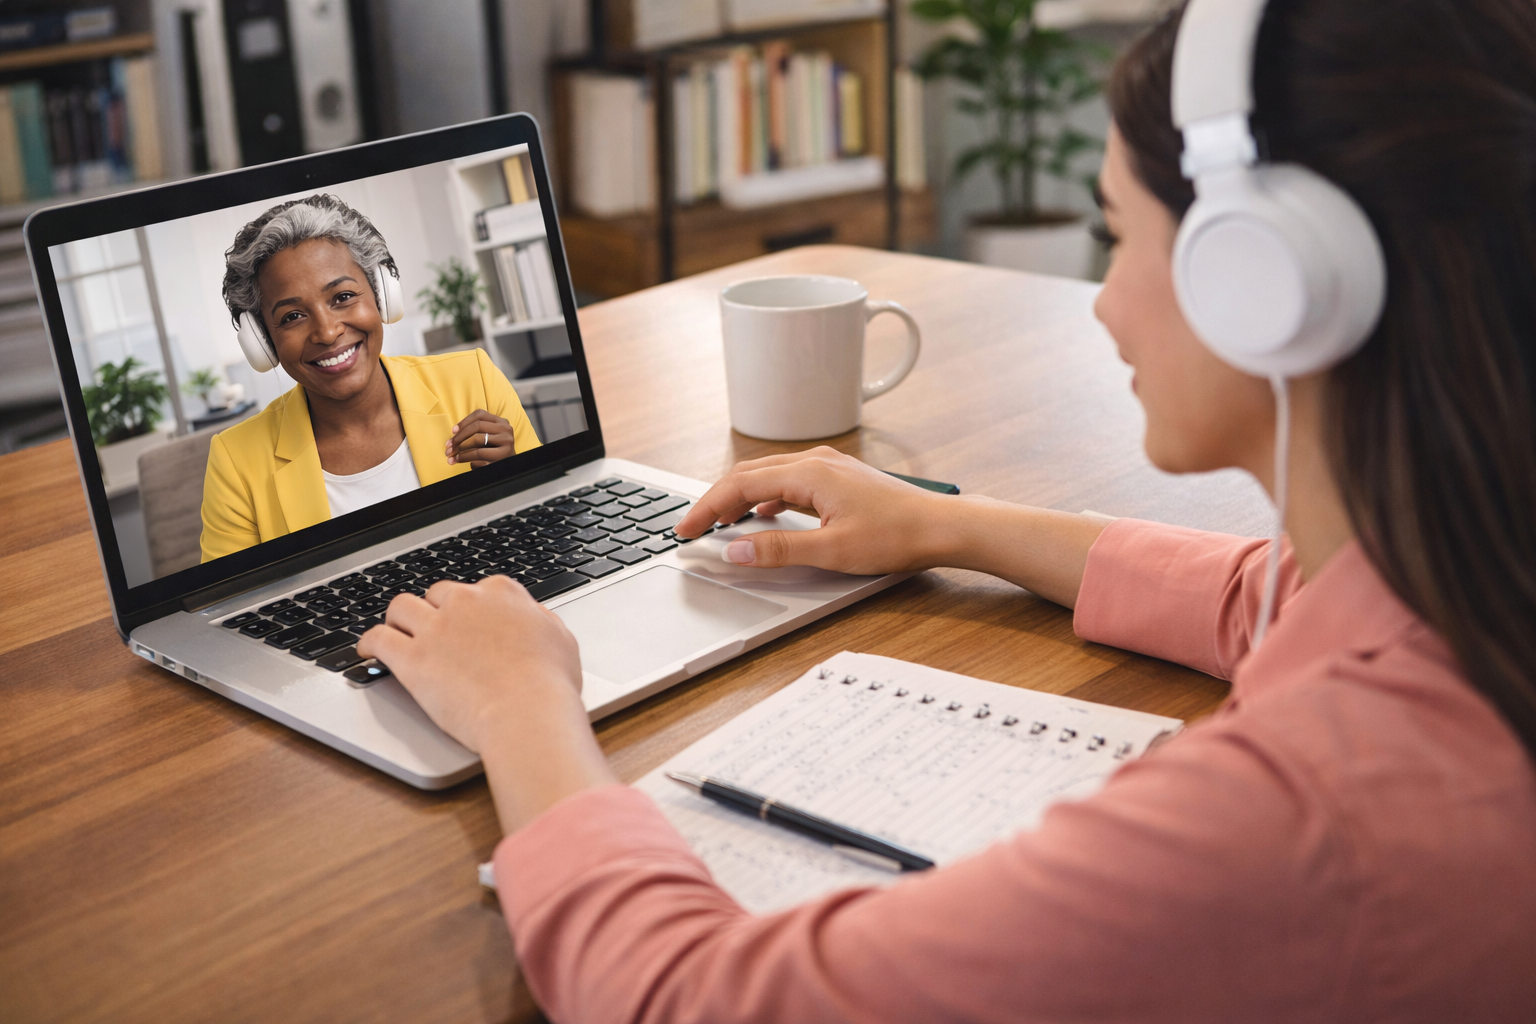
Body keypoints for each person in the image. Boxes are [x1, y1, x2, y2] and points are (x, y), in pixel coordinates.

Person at [357, 0, 1536, 1019]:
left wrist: (520, 702)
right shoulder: (1465, 572)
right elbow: (1272, 597)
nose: (1102, 301)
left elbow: (688, 996)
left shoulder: (1298, 822)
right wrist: (952, 524)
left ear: (1264, 280)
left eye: (1117, 233)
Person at [199, 194, 541, 562]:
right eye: (292, 317)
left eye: (343, 296)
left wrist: (516, 478)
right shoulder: (236, 461)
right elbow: (231, 594)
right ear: (263, 342)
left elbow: (545, 537)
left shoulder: (474, 380)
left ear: (381, 295)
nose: (327, 332)